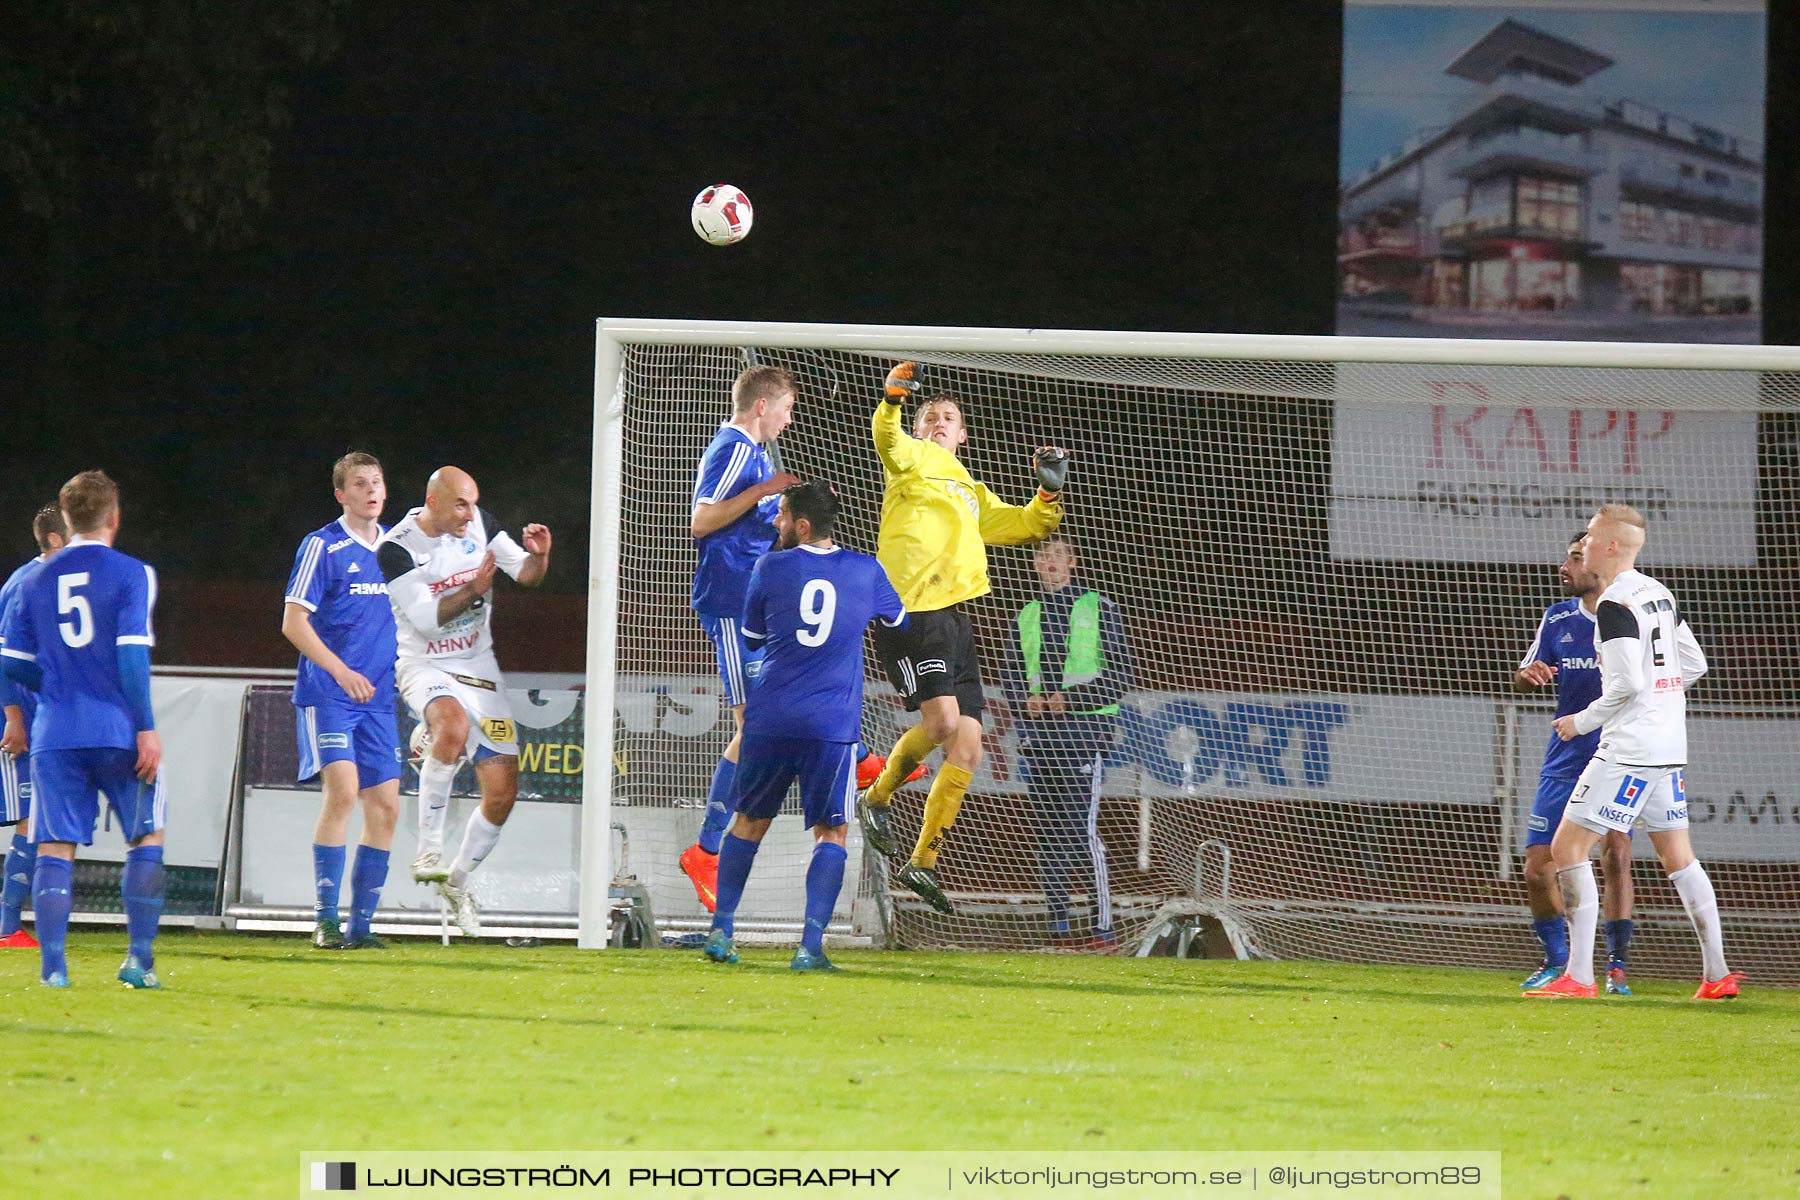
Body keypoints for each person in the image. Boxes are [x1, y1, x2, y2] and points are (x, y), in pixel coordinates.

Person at [679, 365, 916, 912]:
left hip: (754, 598)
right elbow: (702, 521)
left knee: (788, 693)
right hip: (731, 604)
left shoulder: (754, 454)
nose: (789, 419)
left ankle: (858, 758)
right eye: (786, 408)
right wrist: (767, 491)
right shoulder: (736, 448)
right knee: (751, 724)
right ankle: (707, 850)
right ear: (762, 406)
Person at [858, 361, 1067, 915]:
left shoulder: (971, 490)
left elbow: (1024, 526)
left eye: (948, 418)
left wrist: (1047, 496)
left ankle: (921, 863)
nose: (938, 423)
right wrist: (895, 400)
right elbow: (887, 437)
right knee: (943, 724)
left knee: (968, 746)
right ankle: (875, 798)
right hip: (911, 611)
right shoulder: (911, 460)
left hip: (956, 617)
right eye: (931, 416)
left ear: (963, 434)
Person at [1527, 504, 1742, 1001]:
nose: (1583, 547)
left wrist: (1577, 722)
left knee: (1567, 849)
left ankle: (1578, 978)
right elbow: (1694, 663)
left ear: (1611, 547)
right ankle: (1716, 975)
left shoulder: (1615, 602)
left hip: (1629, 747)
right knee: (1679, 858)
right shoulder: (1658, 592)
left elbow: (1625, 686)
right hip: (1668, 744)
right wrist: (1660, 701)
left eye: (1591, 538)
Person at [702, 482, 906, 970]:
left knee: (748, 823)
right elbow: (899, 622)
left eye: (782, 516)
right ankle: (809, 948)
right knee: (830, 833)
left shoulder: (769, 567)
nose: (775, 523)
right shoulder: (866, 569)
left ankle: (721, 930)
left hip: (769, 719)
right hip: (831, 726)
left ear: (802, 525)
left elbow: (750, 637)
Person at [0, 472, 165, 988]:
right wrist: (147, 728)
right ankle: (138, 961)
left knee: (55, 848)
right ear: (114, 517)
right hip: (116, 725)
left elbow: (10, 662)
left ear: (66, 519)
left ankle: (53, 969)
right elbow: (132, 655)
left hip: (55, 730)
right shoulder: (134, 572)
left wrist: (52, 683)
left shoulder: (33, 579)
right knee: (146, 836)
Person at [376, 466, 550, 938]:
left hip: (478, 668)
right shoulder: (396, 548)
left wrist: (541, 557)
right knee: (451, 727)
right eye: (460, 504)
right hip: (423, 665)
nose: (469, 513)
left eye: (473, 503)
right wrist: (474, 588)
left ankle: (456, 882)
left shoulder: (481, 524)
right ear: (432, 502)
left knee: (502, 791)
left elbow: (527, 576)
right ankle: (427, 850)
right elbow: (428, 620)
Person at [281, 452, 402, 950]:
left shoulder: (398, 549)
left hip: (380, 697)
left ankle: (362, 926)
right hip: (330, 692)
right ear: (341, 494)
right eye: (359, 483)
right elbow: (293, 622)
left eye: (376, 481)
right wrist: (340, 670)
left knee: (387, 808)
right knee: (344, 793)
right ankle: (326, 920)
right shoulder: (322, 546)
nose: (370, 490)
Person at [1512, 535, 1635, 993]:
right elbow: (1525, 677)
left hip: (1619, 752)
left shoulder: (1629, 614)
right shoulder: (1558, 617)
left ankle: (1616, 965)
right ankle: (1558, 961)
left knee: (1616, 855)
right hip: (1565, 756)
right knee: (1537, 868)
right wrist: (1528, 676)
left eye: (1575, 558)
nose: (1564, 566)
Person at [1003, 533, 1134, 949]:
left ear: (1073, 562)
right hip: (1040, 738)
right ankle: (1058, 925)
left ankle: (1103, 927)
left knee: (1082, 832)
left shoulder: (1100, 607)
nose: (1051, 561)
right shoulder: (1026, 614)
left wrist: (1071, 699)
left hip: (1083, 735)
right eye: (1044, 555)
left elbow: (1121, 677)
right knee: (1047, 833)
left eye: (1058, 554)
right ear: (1036, 566)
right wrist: (1026, 701)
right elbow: (1009, 675)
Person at [0, 504, 69, 948]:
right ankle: (7, 926)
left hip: (38, 717)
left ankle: (12, 926)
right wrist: (14, 719)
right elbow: (5, 659)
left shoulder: (51, 580)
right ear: (57, 540)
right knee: (28, 819)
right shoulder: (28, 584)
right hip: (18, 718)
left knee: (34, 818)